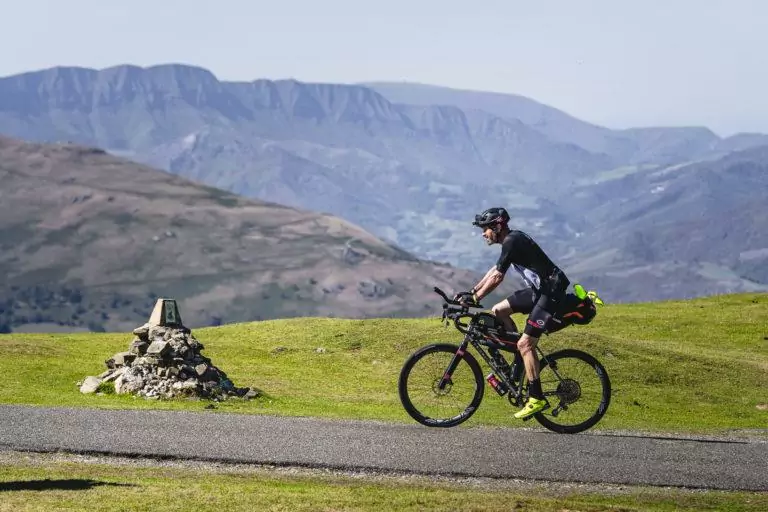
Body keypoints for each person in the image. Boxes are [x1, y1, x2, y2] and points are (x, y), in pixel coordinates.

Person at [454, 207, 571, 420]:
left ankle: (536, 397)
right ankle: (519, 357)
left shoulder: (512, 241)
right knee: (498, 310)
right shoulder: (511, 240)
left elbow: (497, 278)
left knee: (526, 344)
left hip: (550, 293)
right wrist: (472, 292)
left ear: (497, 227)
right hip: (539, 291)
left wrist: (476, 298)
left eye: (485, 229)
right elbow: (494, 270)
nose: (483, 234)